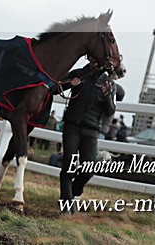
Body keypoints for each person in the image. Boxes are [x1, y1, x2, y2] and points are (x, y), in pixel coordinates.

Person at [54, 63, 117, 215]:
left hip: (92, 130)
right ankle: (66, 207)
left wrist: (107, 96)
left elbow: (110, 110)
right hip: (72, 126)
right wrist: (70, 83)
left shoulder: (109, 82)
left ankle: (74, 191)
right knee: (68, 164)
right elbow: (55, 88)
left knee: (89, 169)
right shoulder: (77, 73)